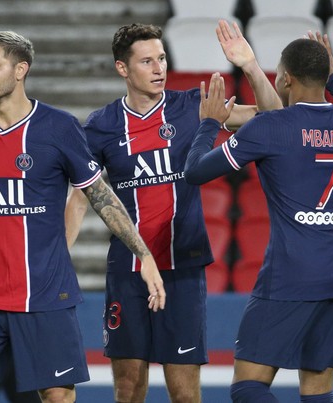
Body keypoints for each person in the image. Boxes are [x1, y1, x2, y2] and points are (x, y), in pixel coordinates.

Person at [0, 30, 165, 403]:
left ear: (20, 70)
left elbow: (100, 196)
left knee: (59, 397)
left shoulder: (58, 127)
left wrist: (143, 255)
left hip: (46, 294)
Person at [65, 21, 279, 403]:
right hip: (128, 272)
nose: (159, 68)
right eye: (147, 61)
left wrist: (249, 65)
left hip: (182, 267)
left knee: (184, 393)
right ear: (122, 69)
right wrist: (59, 257)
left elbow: (274, 116)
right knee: (128, 390)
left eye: (162, 59)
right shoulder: (99, 126)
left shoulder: (190, 108)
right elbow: (82, 197)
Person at [184, 32, 333, 403]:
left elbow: (196, 172)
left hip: (290, 276)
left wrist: (208, 123)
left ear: (285, 79)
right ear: (324, 75)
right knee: (317, 389)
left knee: (248, 386)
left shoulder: (269, 129)